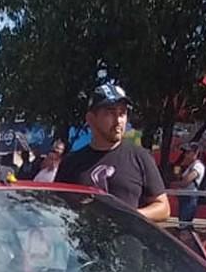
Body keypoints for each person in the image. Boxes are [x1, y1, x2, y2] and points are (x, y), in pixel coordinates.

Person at [54, 83, 169, 221]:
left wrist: (129, 216)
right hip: (84, 240)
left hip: (129, 241)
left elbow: (163, 208)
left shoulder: (140, 157)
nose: (119, 120)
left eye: (122, 113)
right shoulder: (71, 163)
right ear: (91, 119)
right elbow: (58, 209)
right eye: (110, 113)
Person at [174, 142, 206, 225]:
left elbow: (186, 182)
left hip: (190, 197)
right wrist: (179, 166)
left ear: (196, 153)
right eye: (185, 153)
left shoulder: (198, 166)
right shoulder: (189, 166)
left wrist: (174, 184)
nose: (185, 155)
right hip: (183, 196)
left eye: (188, 152)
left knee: (185, 221)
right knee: (182, 220)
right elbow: (177, 176)